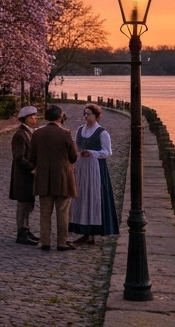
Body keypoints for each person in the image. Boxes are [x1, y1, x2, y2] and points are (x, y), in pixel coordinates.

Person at [28, 104, 78, 251]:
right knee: (62, 212)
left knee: (45, 212)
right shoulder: (65, 133)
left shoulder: (37, 134)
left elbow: (31, 157)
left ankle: (45, 241)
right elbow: (73, 157)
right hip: (62, 177)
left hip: (43, 177)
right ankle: (62, 242)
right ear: (59, 117)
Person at [69, 103, 119, 245]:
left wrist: (92, 153)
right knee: (82, 197)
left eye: (89, 114)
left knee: (94, 198)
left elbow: (107, 152)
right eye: (85, 113)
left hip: (95, 168)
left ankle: (92, 233)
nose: (86, 116)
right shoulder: (80, 130)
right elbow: (75, 146)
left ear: (96, 116)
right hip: (81, 167)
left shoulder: (102, 132)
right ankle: (83, 230)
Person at [10, 106, 40, 245]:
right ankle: (21, 232)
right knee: (23, 204)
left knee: (29, 203)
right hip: (23, 175)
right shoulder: (20, 135)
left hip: (29, 175)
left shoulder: (30, 133)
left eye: (35, 116)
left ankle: (26, 229)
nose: (35, 118)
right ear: (25, 119)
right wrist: (32, 167)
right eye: (32, 116)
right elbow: (18, 157)